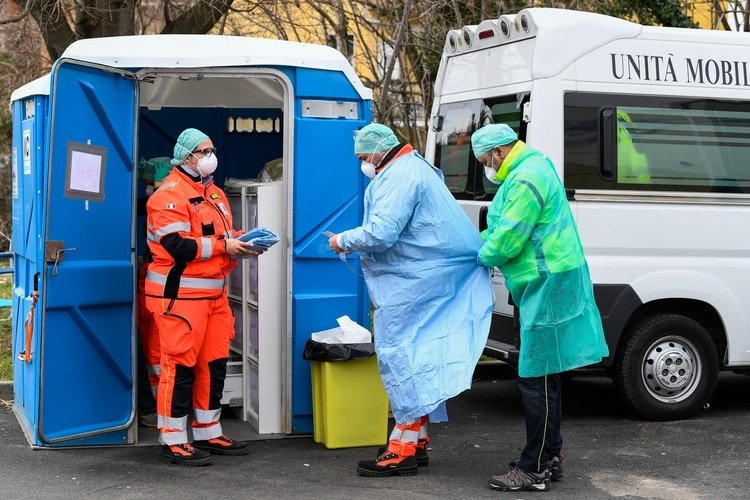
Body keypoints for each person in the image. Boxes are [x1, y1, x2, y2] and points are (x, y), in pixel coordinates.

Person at [327, 123, 494, 477]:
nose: (363, 164)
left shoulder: (400, 175)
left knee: (401, 356)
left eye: (362, 157)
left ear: (377, 151)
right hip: (422, 280)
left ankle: (400, 450)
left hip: (413, 285)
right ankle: (415, 440)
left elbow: (382, 232)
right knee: (419, 354)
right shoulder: (412, 168)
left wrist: (343, 240)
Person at [470, 123, 609, 492]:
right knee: (546, 375)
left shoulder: (523, 179)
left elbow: (507, 238)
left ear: (499, 151)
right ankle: (551, 455)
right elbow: (504, 227)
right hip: (550, 278)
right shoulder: (533, 165)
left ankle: (535, 468)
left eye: (486, 160)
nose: (487, 167)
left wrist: (474, 255)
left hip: (547, 281)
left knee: (536, 377)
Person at [145, 128, 262, 466]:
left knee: (214, 365)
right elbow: (177, 246)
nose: (210, 155)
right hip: (179, 300)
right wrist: (226, 246)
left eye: (211, 149)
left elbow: (223, 235)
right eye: (203, 150)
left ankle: (209, 431)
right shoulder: (167, 196)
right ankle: (174, 439)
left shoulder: (214, 194)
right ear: (185, 156)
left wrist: (245, 242)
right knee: (179, 367)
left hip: (214, 299)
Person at [136, 157, 173, 428]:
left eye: (150, 182)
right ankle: (158, 408)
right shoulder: (155, 203)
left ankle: (161, 410)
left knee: (159, 351)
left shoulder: (171, 203)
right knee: (154, 350)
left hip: (162, 291)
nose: (147, 188)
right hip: (152, 285)